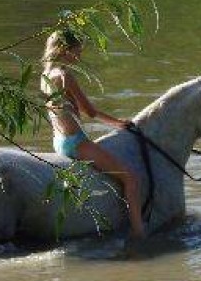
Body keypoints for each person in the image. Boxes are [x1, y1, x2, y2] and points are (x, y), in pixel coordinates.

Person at [40, 30, 145, 240]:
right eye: (77, 51)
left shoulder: (45, 77)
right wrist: (120, 124)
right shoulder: (64, 76)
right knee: (131, 179)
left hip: (59, 141)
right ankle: (139, 233)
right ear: (64, 50)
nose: (79, 57)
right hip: (75, 143)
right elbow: (90, 112)